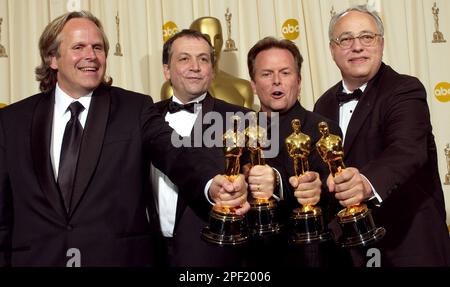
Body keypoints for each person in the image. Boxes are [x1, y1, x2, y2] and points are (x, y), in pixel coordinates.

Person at [0, 11, 248, 267]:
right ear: (52, 57)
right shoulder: (11, 121)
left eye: (98, 47)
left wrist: (211, 183)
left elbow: (175, 152)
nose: (91, 55)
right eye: (79, 47)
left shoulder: (134, 108)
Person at [314, 5, 450, 267]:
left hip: (409, 244)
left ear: (381, 44)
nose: (357, 47)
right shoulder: (323, 105)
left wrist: (365, 183)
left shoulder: (405, 89)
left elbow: (406, 150)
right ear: (332, 50)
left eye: (367, 37)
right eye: (346, 39)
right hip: (351, 248)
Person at [151, 29, 274, 267]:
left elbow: (264, 182)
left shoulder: (245, 119)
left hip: (214, 256)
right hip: (149, 254)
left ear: (212, 70)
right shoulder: (145, 117)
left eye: (203, 59)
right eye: (184, 58)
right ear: (167, 69)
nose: (195, 66)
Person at [246, 36, 343, 266]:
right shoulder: (238, 131)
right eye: (266, 74)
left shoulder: (323, 128)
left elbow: (330, 193)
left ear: (299, 82)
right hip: (250, 259)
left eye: (285, 73)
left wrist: (293, 185)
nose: (276, 81)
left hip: (304, 257)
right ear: (253, 84)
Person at [161, 16, 254, 109]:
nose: (213, 45)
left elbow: (253, 121)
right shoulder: (170, 89)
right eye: (205, 37)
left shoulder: (242, 88)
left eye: (217, 38)